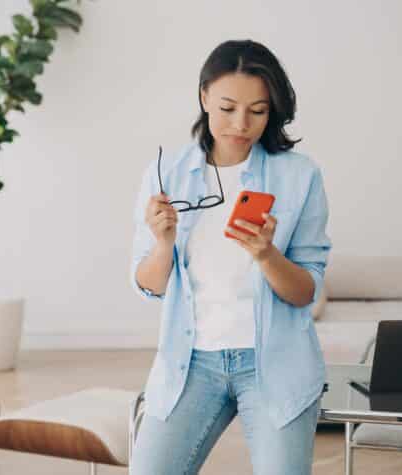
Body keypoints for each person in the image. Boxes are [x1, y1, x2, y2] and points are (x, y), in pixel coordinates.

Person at [129, 39, 332, 475]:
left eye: (257, 111)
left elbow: (305, 293)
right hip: (191, 364)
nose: (241, 124)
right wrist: (163, 244)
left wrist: (267, 255)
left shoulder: (300, 175)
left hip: (275, 364)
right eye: (227, 108)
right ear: (204, 96)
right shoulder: (165, 175)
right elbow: (148, 284)